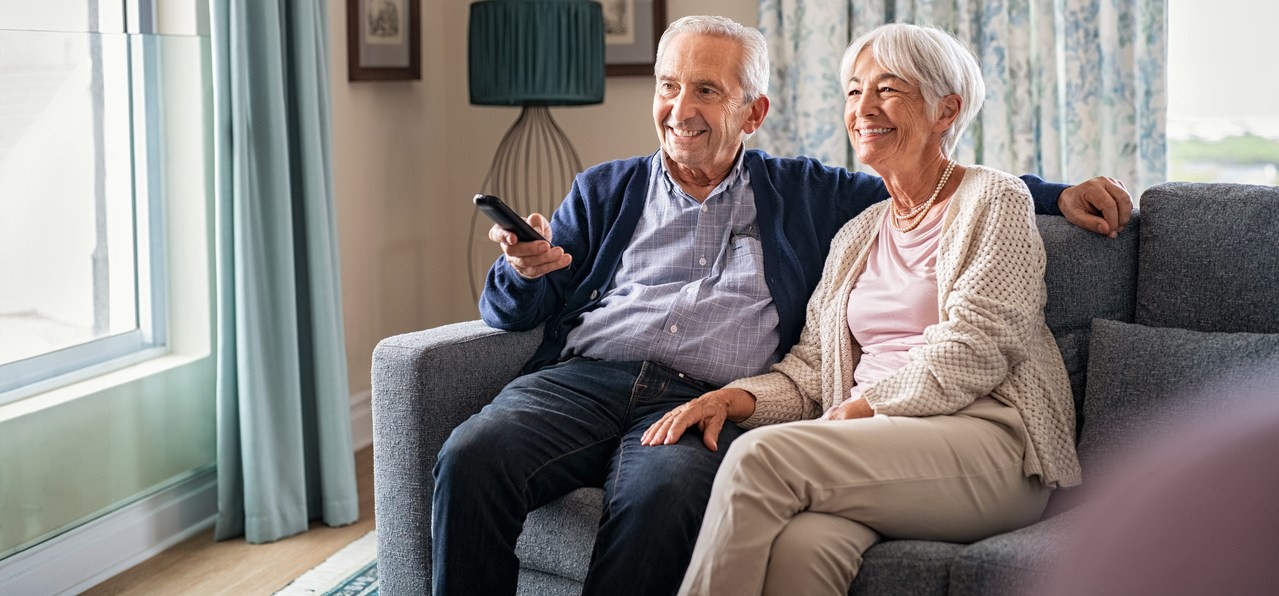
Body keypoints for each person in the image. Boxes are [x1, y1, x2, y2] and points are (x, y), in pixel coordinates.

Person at [434, 15, 1125, 596]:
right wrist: (522, 270)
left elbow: (949, 187)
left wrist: (1057, 195)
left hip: (721, 395)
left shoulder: (816, 196)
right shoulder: (606, 190)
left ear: (753, 112)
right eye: (669, 86)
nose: (680, 109)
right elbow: (512, 310)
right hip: (587, 381)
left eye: (706, 89)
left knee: (668, 495)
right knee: (473, 452)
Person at [642, 23, 1081, 595]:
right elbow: (810, 370)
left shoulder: (993, 199)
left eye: (888, 89)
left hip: (988, 445)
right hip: (876, 446)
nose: (864, 108)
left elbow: (980, 346)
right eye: (854, 91)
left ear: (945, 110)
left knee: (757, 461)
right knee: (802, 549)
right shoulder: (858, 234)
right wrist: (734, 397)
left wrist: (862, 406)